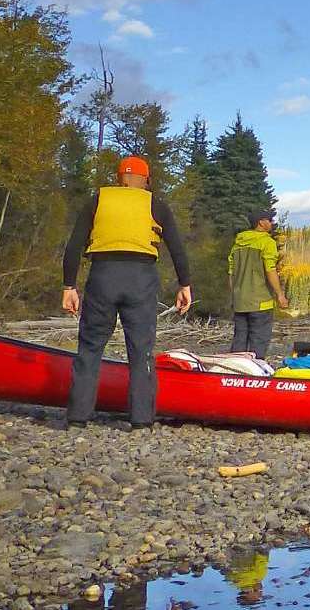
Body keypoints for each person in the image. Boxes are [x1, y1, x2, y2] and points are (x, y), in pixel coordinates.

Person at [61, 155, 192, 429]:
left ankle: (77, 418)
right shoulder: (154, 204)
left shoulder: (98, 200)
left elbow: (73, 245)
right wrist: (185, 284)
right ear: (146, 180)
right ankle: (142, 420)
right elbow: (177, 248)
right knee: (141, 349)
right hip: (140, 277)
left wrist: (69, 286)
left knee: (90, 346)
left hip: (103, 275)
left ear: (119, 178)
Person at [227, 210, 288, 357]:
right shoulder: (267, 242)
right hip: (261, 302)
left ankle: (235, 374)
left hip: (240, 302)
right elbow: (270, 270)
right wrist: (280, 295)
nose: (272, 223)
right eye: (269, 220)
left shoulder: (237, 245)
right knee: (258, 342)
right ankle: (255, 374)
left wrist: (235, 296)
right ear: (261, 222)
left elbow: (231, 274)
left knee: (239, 340)